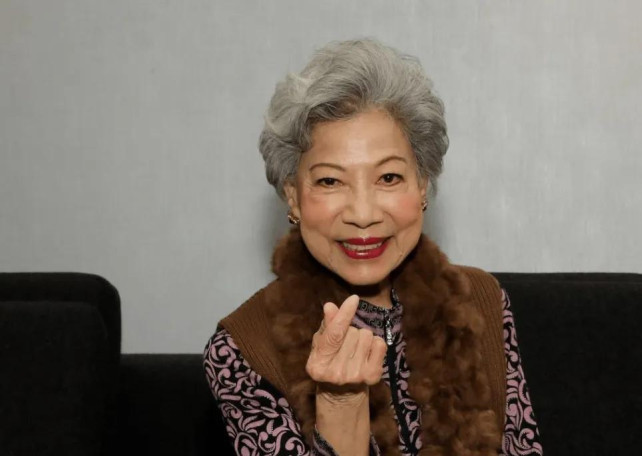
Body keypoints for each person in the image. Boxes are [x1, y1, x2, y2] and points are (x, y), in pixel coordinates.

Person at [203, 38, 543, 456]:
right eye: (330, 181)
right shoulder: (242, 348)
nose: (362, 215)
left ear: (422, 185)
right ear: (293, 197)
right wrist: (339, 404)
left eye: (389, 178)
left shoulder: (482, 302)